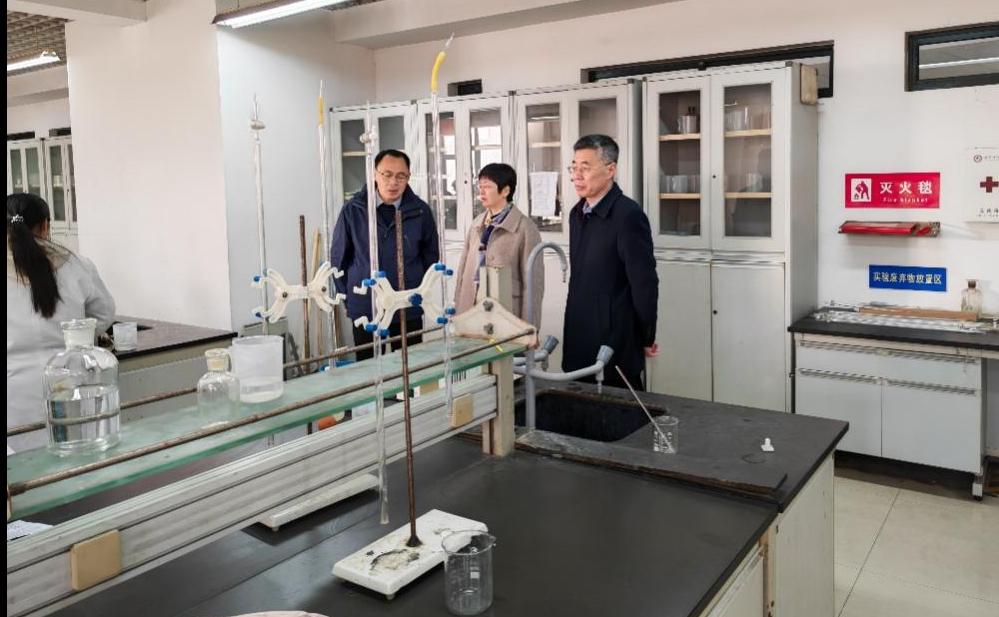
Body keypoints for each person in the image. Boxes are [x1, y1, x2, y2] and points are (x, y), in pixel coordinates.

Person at [7, 193, 115, 451]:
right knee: (74, 456)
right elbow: (104, 314)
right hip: (70, 380)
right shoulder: (75, 264)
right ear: (45, 225)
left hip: (14, 391)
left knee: (22, 464)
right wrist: (79, 335)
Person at [562, 134, 659, 391]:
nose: (576, 176)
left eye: (585, 168)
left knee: (621, 405)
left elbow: (644, 284)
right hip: (579, 332)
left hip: (614, 337)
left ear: (610, 170)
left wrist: (646, 336)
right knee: (576, 405)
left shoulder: (628, 215)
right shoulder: (577, 213)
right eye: (573, 167)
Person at [330, 149, 440, 361]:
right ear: (374, 174)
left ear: (408, 177)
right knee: (369, 367)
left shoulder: (420, 211)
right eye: (387, 174)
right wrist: (350, 299)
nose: (393, 182)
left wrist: (418, 287)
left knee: (410, 365)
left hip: (407, 302)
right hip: (366, 305)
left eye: (401, 176)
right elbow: (338, 259)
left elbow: (431, 257)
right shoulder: (353, 210)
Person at [454, 163, 543, 326]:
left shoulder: (525, 228)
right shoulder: (477, 223)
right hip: (471, 308)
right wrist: (457, 307)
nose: (481, 192)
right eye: (480, 187)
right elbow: (463, 270)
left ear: (505, 191)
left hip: (506, 312)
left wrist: (529, 327)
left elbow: (533, 284)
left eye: (487, 187)